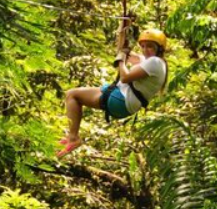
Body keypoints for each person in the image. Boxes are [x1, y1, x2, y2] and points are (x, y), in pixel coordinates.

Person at [57, 27, 168, 157]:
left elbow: (125, 77)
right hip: (121, 97)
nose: (145, 50)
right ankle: (72, 137)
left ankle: (73, 138)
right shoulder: (150, 61)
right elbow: (123, 52)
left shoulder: (155, 62)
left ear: (159, 49)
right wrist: (123, 30)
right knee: (72, 94)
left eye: (150, 46)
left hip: (121, 100)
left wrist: (121, 61)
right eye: (143, 46)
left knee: (73, 95)